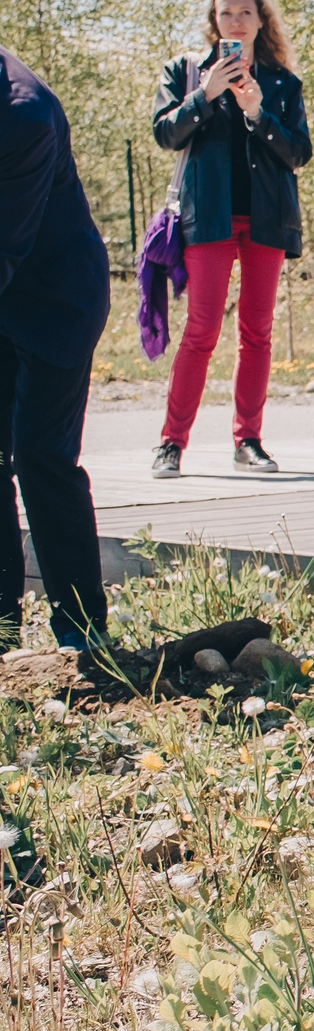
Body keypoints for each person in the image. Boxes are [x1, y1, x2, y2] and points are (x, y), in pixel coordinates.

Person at [150, 0, 312, 478]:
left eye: (246, 12)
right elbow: (164, 132)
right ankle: (171, 443)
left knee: (257, 333)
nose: (237, 21)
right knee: (201, 331)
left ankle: (249, 441)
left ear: (262, 20)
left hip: (265, 218)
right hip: (210, 217)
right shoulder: (184, 72)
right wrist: (205, 94)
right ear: (214, 22)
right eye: (227, 14)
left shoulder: (282, 83)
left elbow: (298, 154)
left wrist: (258, 112)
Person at [0, 47, 112, 652]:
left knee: (41, 457)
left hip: (55, 301)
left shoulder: (24, 116)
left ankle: (81, 631)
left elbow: (4, 243)